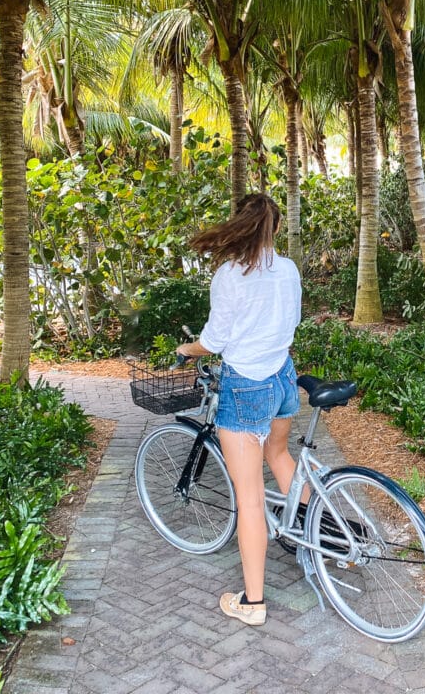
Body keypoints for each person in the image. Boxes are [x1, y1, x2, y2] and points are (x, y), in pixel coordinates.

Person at [175, 193, 301, 627]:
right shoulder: (288, 270)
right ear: (275, 228)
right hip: (284, 377)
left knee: (248, 499)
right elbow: (293, 320)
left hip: (247, 386)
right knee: (281, 456)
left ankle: (252, 603)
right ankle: (327, 537)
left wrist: (187, 349)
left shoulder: (230, 275)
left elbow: (215, 341)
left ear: (241, 225)